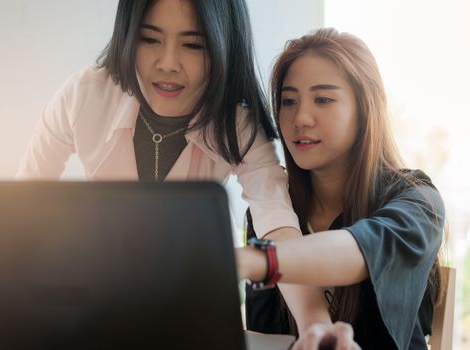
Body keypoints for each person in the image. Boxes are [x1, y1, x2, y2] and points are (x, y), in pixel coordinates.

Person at [17, 0, 331, 333]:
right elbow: (24, 204)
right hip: (97, 306)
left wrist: (315, 323)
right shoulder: (83, 97)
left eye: (193, 45)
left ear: (225, 46)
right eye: (150, 39)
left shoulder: (237, 124)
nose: (168, 64)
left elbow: (278, 226)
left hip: (188, 313)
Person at [236, 28, 445, 349]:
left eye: (323, 99)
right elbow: (265, 338)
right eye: (289, 101)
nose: (300, 118)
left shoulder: (416, 201)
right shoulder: (270, 211)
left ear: (365, 110)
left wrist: (251, 261)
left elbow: (360, 251)